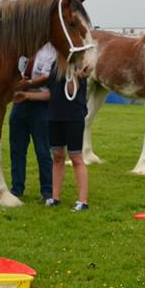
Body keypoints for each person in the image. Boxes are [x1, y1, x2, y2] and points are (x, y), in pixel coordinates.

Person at [20, 61, 90, 211]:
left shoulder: (78, 64)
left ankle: (82, 201)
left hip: (73, 117)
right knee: (57, 156)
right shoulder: (54, 65)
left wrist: (75, 75)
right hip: (54, 116)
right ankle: (55, 197)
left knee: (76, 157)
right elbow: (50, 94)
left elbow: (71, 92)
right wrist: (26, 95)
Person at [8, 42, 56, 203]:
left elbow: (47, 77)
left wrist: (27, 84)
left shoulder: (51, 51)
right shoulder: (23, 45)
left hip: (40, 105)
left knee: (43, 151)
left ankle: (47, 192)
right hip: (19, 103)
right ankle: (16, 189)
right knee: (17, 150)